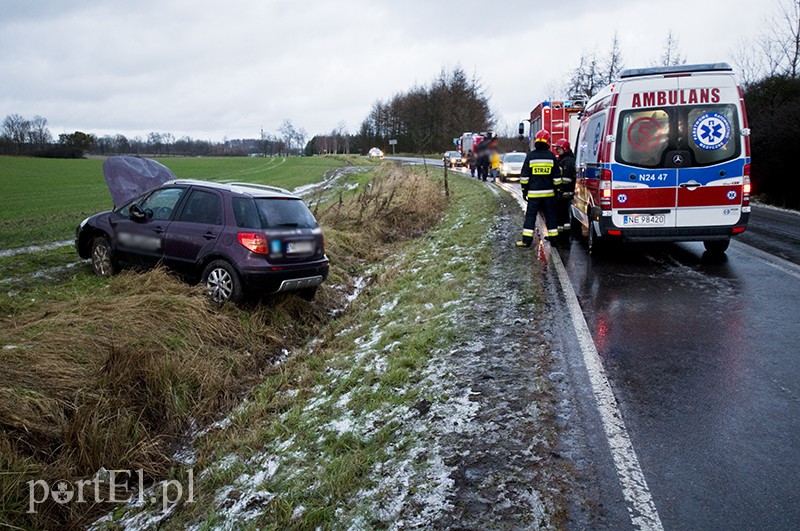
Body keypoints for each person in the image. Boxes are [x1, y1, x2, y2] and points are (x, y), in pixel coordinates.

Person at [516, 129, 561, 247]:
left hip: (533, 194)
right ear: (548, 142)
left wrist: (524, 191)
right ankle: (554, 239)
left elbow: (524, 177)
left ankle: (526, 241)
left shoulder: (530, 156)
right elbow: (557, 178)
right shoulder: (551, 156)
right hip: (549, 195)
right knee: (550, 216)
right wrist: (557, 191)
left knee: (530, 217)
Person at [553, 139, 576, 236]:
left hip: (566, 191)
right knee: (563, 214)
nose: (557, 150)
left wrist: (559, 187)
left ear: (565, 149)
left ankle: (562, 234)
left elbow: (566, 178)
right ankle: (564, 232)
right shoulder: (564, 159)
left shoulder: (568, 161)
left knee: (561, 212)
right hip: (564, 191)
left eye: (559, 149)